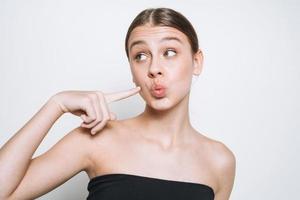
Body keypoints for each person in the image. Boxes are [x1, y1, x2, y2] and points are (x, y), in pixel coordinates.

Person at [0, 7, 235, 200]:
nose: (154, 69)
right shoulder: (98, 138)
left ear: (196, 62)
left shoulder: (219, 161)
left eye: (170, 52)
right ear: (133, 71)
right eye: (140, 56)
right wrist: (56, 104)